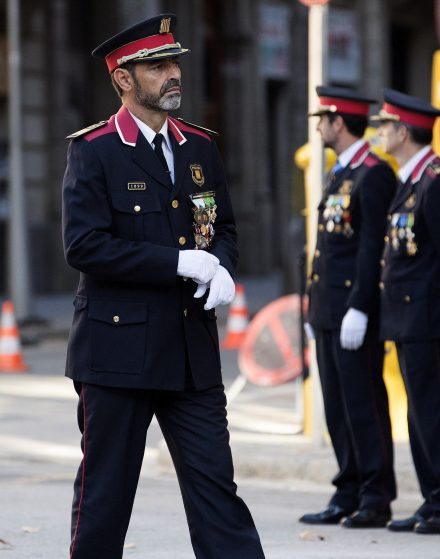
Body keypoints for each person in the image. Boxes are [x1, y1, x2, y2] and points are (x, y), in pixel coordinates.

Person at [61, 14, 264, 559]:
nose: (173, 74)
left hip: (191, 351)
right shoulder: (95, 150)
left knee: (217, 492)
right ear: (123, 79)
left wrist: (220, 265)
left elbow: (221, 227)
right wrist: (177, 263)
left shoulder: (200, 146)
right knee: (106, 496)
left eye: (174, 63)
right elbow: (84, 246)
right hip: (117, 351)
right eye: (157, 66)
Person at [374, 88, 440, 534]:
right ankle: (434, 498)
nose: (378, 133)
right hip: (408, 318)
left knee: (437, 411)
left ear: (402, 131)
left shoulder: (437, 181)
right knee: (418, 412)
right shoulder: (412, 179)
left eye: (384, 126)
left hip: (430, 316)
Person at [301, 86, 398, 528]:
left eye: (323, 119)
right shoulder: (341, 171)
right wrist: (312, 305)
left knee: (363, 403)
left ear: (339, 123)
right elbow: (327, 247)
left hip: (352, 310)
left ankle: (375, 495)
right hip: (327, 308)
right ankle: (348, 489)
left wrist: (361, 305)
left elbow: (372, 246)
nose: (319, 126)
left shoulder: (373, 173)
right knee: (337, 405)